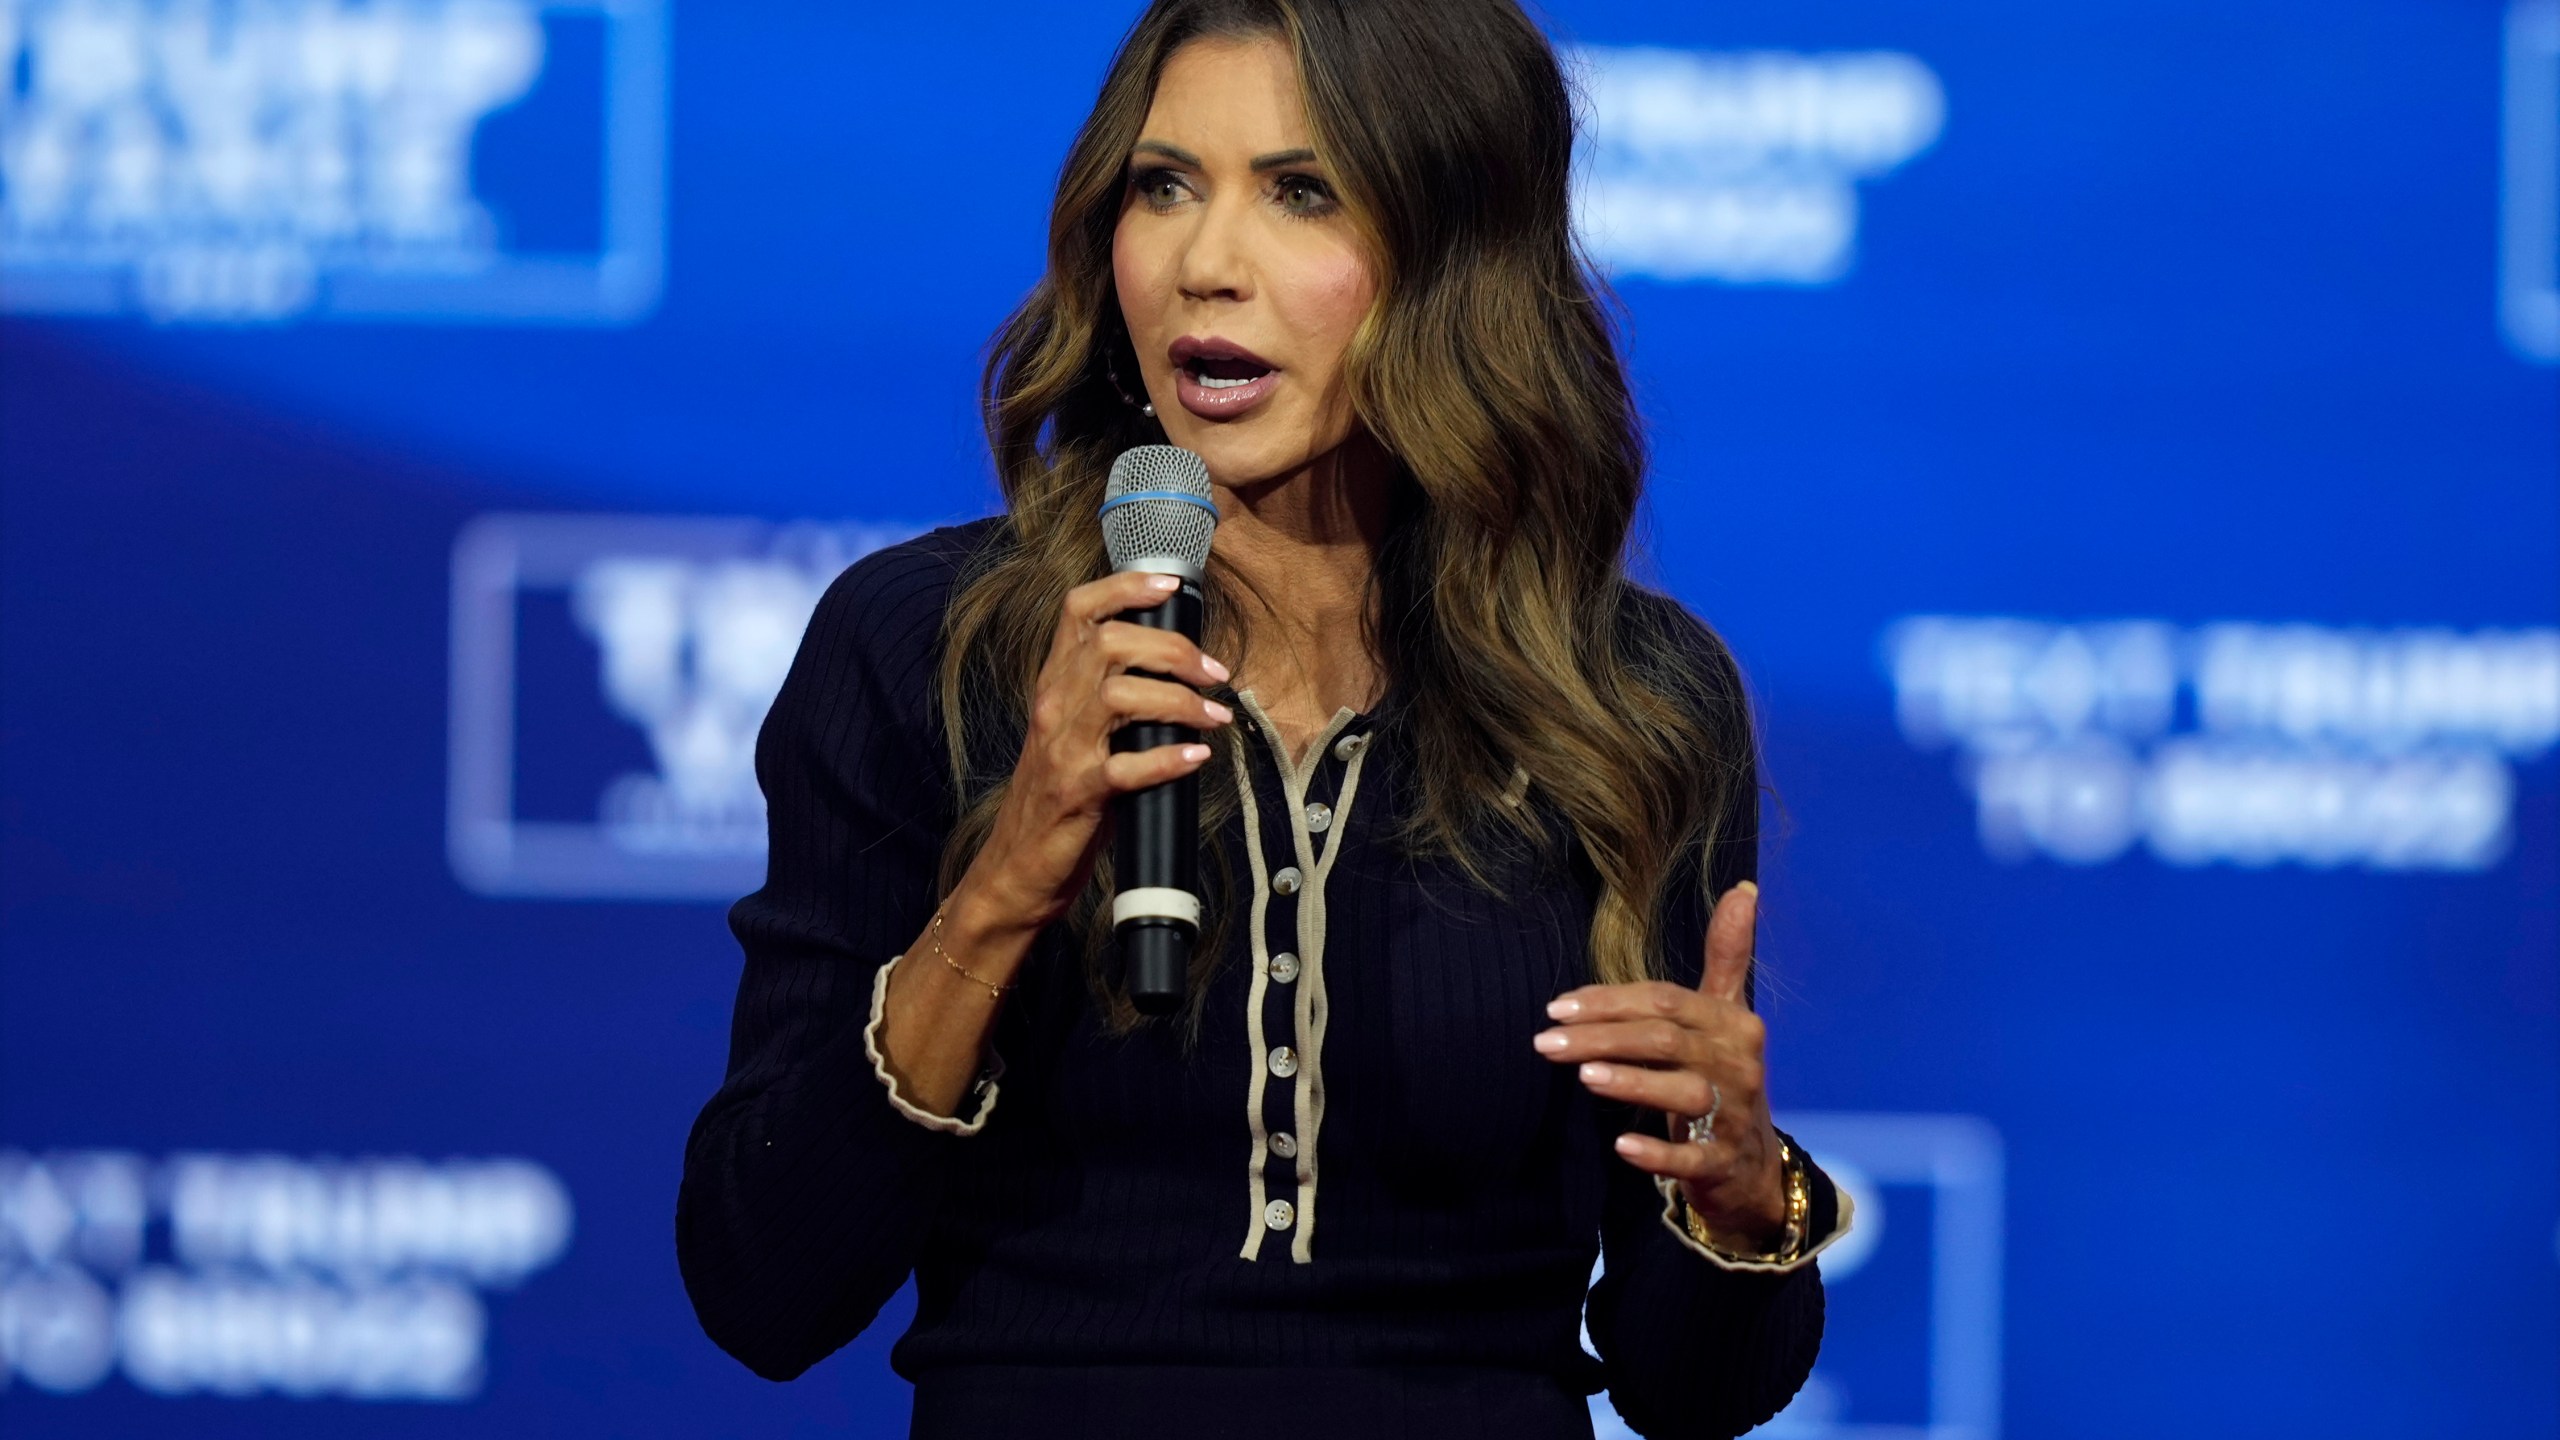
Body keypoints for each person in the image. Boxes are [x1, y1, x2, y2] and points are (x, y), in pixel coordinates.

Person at [676, 1, 1855, 1434]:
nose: (1203, 264)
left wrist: (1737, 1198)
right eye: (1162, 186)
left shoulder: (1621, 700)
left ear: (1453, 255)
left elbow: (1691, 1392)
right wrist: (1003, 886)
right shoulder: (935, 646)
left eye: (1301, 194)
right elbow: (762, 1288)